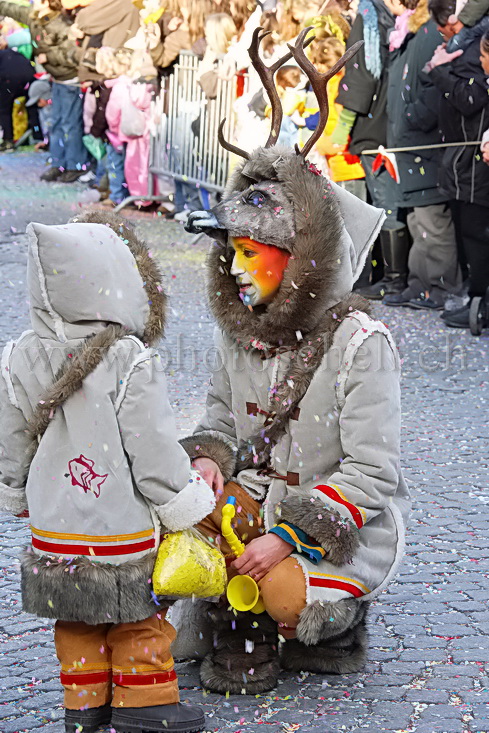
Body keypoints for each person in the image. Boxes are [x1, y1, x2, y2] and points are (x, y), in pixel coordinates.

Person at [175, 31, 410, 695]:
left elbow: (371, 471)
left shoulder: (361, 343)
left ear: (301, 258)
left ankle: (324, 617)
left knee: (278, 591)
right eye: (235, 250)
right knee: (175, 561)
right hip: (251, 504)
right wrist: (205, 465)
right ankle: (242, 609)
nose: (237, 267)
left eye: (257, 251)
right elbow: (220, 417)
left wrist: (288, 535)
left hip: (334, 527)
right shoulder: (239, 331)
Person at [0, 211, 214, 733]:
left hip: (55, 524)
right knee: (138, 614)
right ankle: (144, 704)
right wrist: (180, 499)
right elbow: (153, 447)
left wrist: (15, 492)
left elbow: (10, 439)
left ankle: (84, 704)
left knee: (74, 614)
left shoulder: (19, 355)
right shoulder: (127, 359)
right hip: (118, 522)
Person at [382, 0, 461, 310]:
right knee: (417, 220)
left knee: (433, 221)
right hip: (408, 140)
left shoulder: (428, 33)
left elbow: (432, 85)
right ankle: (420, 284)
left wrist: (413, 118)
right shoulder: (411, 31)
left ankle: (442, 286)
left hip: (423, 141)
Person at [333, 0, 411, 296]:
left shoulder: (368, 17)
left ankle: (392, 278)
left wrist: (344, 123)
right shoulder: (384, 18)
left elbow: (361, 72)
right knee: (383, 199)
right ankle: (385, 275)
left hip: (373, 122)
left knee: (383, 200)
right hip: (388, 117)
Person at [426, 1, 489, 328]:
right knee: (470, 233)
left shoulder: (471, 55)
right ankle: (476, 299)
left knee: (477, 235)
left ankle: (479, 304)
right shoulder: (464, 49)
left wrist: (439, 72)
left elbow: (469, 100)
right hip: (462, 161)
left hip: (475, 163)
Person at [0, 0, 87, 181]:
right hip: (57, 78)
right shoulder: (34, 17)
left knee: (70, 124)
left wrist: (48, 56)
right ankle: (58, 163)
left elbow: (73, 54)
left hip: (70, 80)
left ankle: (75, 165)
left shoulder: (61, 24)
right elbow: (11, 9)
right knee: (55, 123)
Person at [0, 47, 35, 151]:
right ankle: (37, 134)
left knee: (4, 110)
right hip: (30, 77)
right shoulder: (13, 54)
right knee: (32, 106)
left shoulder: (4, 56)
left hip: (9, 80)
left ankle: (8, 140)